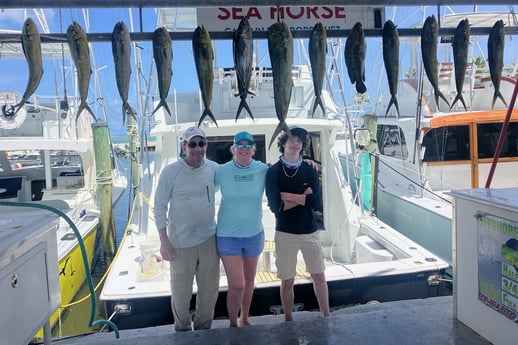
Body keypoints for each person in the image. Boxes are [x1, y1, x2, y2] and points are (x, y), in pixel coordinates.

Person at [154, 126, 220, 332]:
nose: (197, 148)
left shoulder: (214, 168)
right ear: (184, 146)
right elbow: (159, 207)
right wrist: (164, 242)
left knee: (209, 291)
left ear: (206, 145)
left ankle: (203, 330)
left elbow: (239, 175)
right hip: (180, 244)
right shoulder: (170, 171)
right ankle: (182, 331)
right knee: (181, 293)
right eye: (192, 144)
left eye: (201, 143)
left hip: (209, 240)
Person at [265, 126, 330, 321]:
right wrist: (303, 197)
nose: (296, 144)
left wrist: (289, 197)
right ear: (283, 142)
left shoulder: (309, 169)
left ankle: (326, 315)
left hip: (310, 232)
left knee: (319, 276)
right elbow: (276, 206)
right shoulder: (274, 172)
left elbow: (316, 203)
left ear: (303, 146)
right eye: (292, 139)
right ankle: (288, 319)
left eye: (300, 141)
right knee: (287, 280)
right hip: (285, 234)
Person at [215, 131, 269, 327]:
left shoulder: (262, 169)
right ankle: (232, 323)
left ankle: (245, 317)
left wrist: (308, 162)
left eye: (248, 145)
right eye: (240, 145)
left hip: (254, 234)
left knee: (249, 281)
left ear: (253, 149)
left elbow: (281, 172)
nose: (244, 149)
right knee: (236, 285)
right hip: (228, 236)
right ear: (233, 148)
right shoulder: (221, 171)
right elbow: (204, 189)